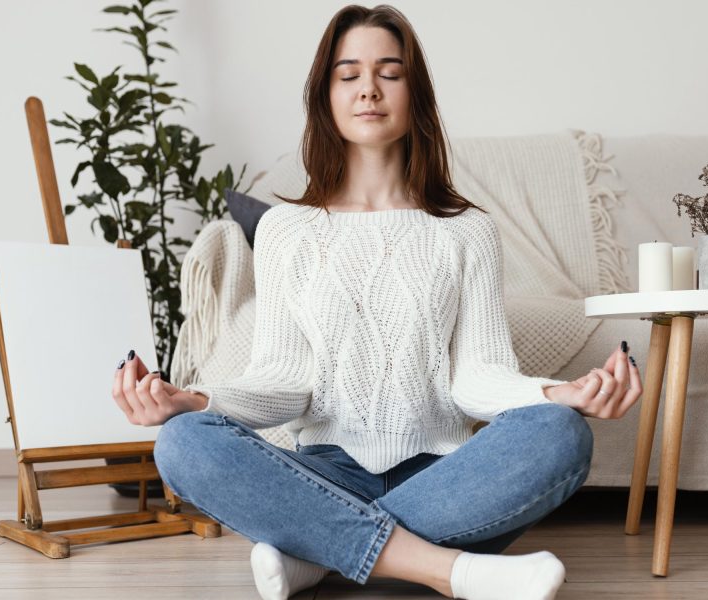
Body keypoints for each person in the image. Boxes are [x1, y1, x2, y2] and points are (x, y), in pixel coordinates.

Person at [110, 5, 642, 600]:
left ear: (415, 94)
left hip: (443, 474)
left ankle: (316, 554)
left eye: (389, 72)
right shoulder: (288, 229)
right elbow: (284, 381)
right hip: (323, 470)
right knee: (183, 441)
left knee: (562, 434)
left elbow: (479, 378)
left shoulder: (467, 230)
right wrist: (196, 399)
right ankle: (451, 570)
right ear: (325, 96)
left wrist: (556, 393)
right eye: (349, 74)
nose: (369, 88)